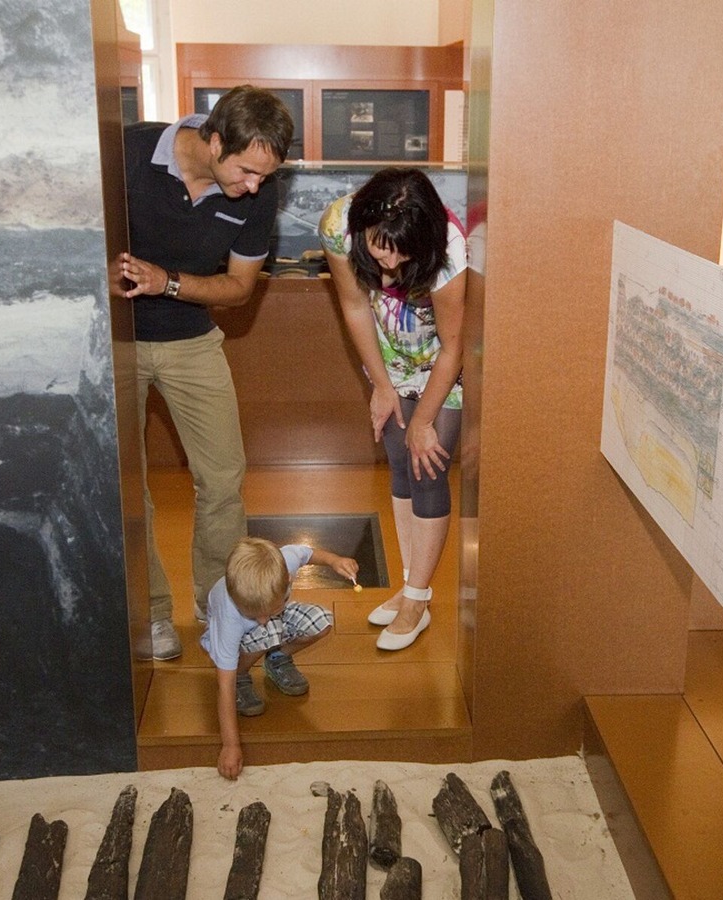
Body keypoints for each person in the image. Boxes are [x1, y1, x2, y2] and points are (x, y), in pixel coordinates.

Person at [118, 86, 295, 661]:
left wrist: (164, 281)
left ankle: (217, 603)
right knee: (126, 483)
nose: (253, 188)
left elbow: (240, 289)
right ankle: (150, 612)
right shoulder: (123, 152)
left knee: (222, 481)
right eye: (245, 171)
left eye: (264, 178)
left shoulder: (255, 193)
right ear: (214, 140)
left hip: (193, 342)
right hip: (116, 343)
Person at [318, 168, 467, 651]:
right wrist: (381, 386)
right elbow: (356, 306)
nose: (388, 264)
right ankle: (409, 586)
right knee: (400, 463)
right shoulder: (339, 222)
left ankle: (418, 598)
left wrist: (424, 419)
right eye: (380, 247)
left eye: (402, 253)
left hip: (441, 362)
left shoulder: (450, 252)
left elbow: (453, 346)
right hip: (385, 352)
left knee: (429, 466)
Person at [207, 537, 354, 779]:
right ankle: (243, 674)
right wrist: (230, 745)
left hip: (271, 626)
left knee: (322, 622)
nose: (263, 619)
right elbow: (223, 685)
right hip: (233, 637)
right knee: (266, 632)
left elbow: (308, 553)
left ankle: (277, 657)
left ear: (287, 580)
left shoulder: (284, 564)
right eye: (254, 614)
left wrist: (335, 561)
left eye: (269, 611)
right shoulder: (230, 616)